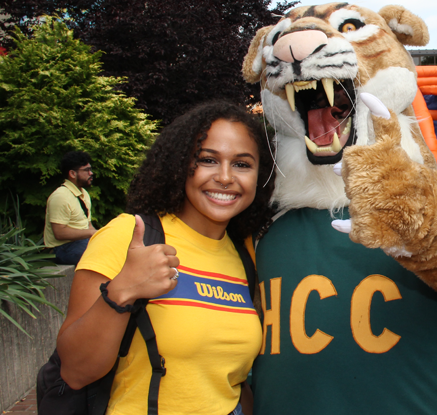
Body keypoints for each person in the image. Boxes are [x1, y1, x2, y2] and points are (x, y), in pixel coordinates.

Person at [55, 101, 275, 415]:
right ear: (180, 165)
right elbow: (75, 371)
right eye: (208, 160)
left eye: (242, 164)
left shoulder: (245, 255)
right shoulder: (129, 235)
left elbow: (229, 383)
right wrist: (123, 290)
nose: (225, 177)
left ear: (260, 176)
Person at [44, 151, 97, 265]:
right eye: (86, 170)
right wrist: (91, 233)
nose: (91, 173)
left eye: (90, 169)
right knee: (100, 255)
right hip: (62, 249)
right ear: (72, 173)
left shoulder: (84, 194)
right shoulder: (60, 196)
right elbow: (59, 233)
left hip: (82, 243)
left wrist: (98, 235)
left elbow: (88, 225)